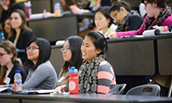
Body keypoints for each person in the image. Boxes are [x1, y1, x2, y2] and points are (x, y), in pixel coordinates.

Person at [107, 0, 172, 38]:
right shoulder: (148, 19)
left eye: (146, 5)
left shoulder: (168, 20)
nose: (144, 8)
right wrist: (117, 34)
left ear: (154, 4)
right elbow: (139, 32)